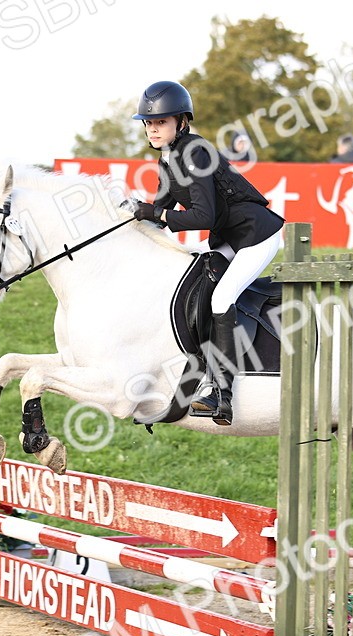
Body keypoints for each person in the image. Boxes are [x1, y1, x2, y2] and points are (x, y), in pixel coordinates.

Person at [130, 80, 284, 426]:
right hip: (228, 237)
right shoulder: (168, 161)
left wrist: (157, 214)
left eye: (161, 122)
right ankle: (196, 362)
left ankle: (221, 394)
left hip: (257, 235)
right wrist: (131, 218)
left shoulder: (195, 152)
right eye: (149, 123)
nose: (153, 129)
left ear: (181, 122)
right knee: (194, 275)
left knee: (222, 298)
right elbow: (159, 213)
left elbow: (202, 216)